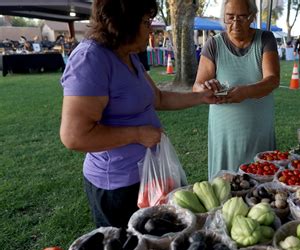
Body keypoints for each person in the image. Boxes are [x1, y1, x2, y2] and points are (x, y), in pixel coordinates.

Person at [59, 0, 217, 228]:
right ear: (123, 23)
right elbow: (74, 136)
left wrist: (201, 97)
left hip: (150, 176)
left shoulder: (129, 54)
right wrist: (137, 134)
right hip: (117, 187)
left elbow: (158, 99)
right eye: (145, 22)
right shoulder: (91, 59)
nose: (150, 29)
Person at [192, 0, 280, 179]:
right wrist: (206, 87)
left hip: (258, 131)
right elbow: (197, 86)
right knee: (224, 187)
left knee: (261, 185)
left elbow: (272, 80)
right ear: (223, 18)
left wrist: (246, 92)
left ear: (252, 17)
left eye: (242, 17)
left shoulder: (265, 39)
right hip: (224, 134)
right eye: (230, 17)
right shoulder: (214, 44)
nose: (235, 23)